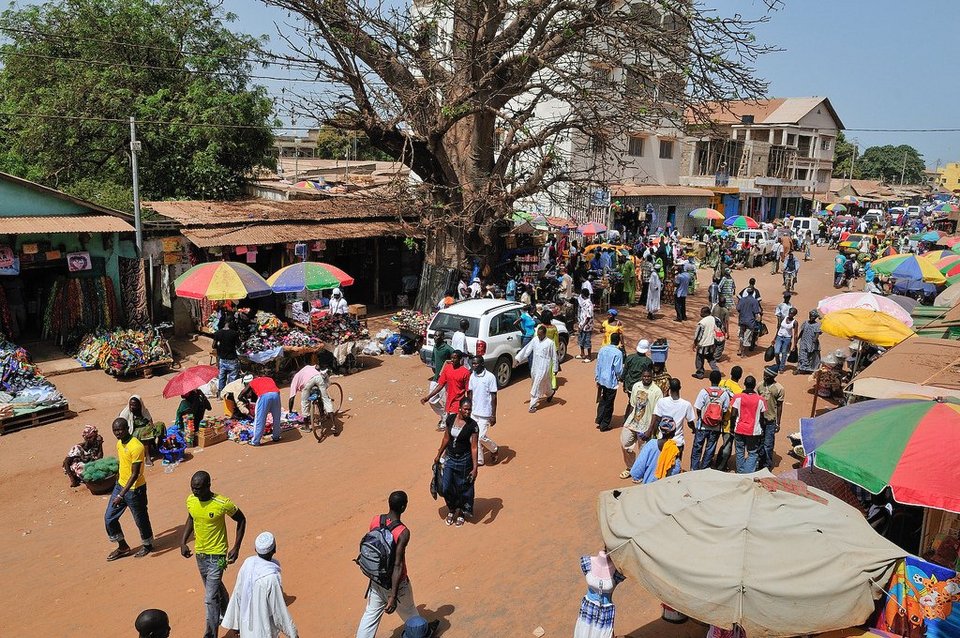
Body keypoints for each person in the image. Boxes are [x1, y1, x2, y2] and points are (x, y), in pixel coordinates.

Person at [355, 492, 439, 638]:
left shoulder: (376, 520)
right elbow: (397, 565)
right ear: (403, 507)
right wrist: (393, 596)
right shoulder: (402, 532)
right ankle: (423, 632)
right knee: (411, 614)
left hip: (376, 579)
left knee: (370, 616)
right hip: (397, 585)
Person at [181, 471, 247, 638]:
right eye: (193, 488)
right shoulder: (191, 500)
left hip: (217, 556)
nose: (195, 492)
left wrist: (236, 547)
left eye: (198, 488)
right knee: (215, 589)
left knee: (210, 598)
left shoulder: (222, 503)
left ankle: (210, 634)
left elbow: (241, 520)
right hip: (200, 555)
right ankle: (234, 619)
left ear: (208, 486)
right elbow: (191, 518)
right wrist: (183, 542)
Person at [222, 531, 298, 638]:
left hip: (246, 627)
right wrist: (292, 634)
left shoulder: (248, 563)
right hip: (263, 631)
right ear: (274, 549)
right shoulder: (271, 577)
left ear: (255, 550)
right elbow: (279, 610)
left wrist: (235, 624)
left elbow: (237, 593)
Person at [105, 418, 154, 561]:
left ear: (128, 428)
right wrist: (117, 483)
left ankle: (147, 544)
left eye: (120, 429)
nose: (117, 433)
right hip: (120, 486)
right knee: (109, 518)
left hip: (135, 490)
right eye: (115, 430)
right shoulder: (119, 443)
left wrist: (121, 494)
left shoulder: (136, 447)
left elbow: (135, 474)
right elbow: (123, 464)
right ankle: (123, 547)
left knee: (141, 520)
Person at [434, 399, 479, 526]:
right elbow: (446, 438)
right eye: (465, 409)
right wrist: (438, 455)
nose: (468, 411)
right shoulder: (450, 419)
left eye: (469, 409)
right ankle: (452, 508)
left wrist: (475, 468)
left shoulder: (473, 426)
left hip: (464, 461)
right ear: (459, 408)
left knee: (462, 488)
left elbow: (474, 447)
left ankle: (461, 512)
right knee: (446, 486)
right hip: (450, 458)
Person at [619, 368, 663, 479]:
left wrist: (650, 430)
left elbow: (656, 413)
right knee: (624, 443)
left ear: (652, 377)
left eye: (648, 376)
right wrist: (627, 419)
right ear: (641, 376)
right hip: (632, 422)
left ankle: (640, 473)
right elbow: (632, 405)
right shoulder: (636, 386)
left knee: (643, 451)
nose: (646, 378)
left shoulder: (656, 391)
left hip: (646, 426)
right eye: (644, 376)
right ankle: (631, 467)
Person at [420, 349, 471, 429]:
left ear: (460, 359)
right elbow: (440, 385)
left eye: (455, 358)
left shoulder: (465, 372)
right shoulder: (447, 368)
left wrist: (469, 405)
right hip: (449, 402)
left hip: (458, 403)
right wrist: (428, 397)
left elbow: (469, 391)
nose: (452, 360)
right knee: (451, 427)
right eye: (451, 358)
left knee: (454, 426)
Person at [691, 370, 729, 471]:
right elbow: (725, 410)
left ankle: (694, 469)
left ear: (710, 380)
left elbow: (698, 408)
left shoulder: (704, 392)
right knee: (710, 449)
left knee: (697, 448)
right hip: (715, 427)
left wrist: (701, 418)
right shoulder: (724, 394)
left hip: (702, 426)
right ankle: (704, 469)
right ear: (720, 380)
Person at [516, 324, 558, 412]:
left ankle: (533, 405)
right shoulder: (535, 340)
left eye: (540, 335)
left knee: (537, 384)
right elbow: (527, 350)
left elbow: (554, 357)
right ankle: (550, 393)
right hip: (535, 366)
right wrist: (518, 359)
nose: (539, 336)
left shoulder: (550, 343)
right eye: (538, 334)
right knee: (543, 382)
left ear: (544, 334)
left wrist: (555, 369)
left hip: (544, 367)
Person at [628, 417, 682, 483]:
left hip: (649, 487)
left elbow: (636, 472)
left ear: (660, 429)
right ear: (674, 432)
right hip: (667, 489)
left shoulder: (651, 444)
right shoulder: (674, 450)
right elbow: (675, 471)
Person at [730, 375, 766, 474]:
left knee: (739, 452)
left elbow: (733, 414)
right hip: (754, 431)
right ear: (754, 385)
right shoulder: (761, 399)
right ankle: (748, 474)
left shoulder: (737, 397)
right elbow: (762, 417)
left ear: (744, 384)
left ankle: (741, 473)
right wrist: (762, 429)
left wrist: (732, 427)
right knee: (753, 453)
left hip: (739, 429)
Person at [467, 355, 499, 465]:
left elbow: (494, 397)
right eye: (473, 363)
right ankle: (479, 460)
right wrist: (469, 409)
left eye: (476, 363)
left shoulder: (490, 377)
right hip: (474, 412)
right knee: (473, 437)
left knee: (481, 437)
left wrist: (493, 415)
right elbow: (470, 393)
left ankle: (494, 449)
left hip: (486, 413)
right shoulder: (472, 376)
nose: (474, 365)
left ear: (482, 364)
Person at [653, 378, 695, 458]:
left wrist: (654, 434)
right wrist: (694, 429)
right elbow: (690, 422)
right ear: (680, 388)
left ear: (669, 388)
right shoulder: (686, 404)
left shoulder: (661, 401)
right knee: (676, 466)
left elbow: (657, 420)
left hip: (663, 441)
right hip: (677, 442)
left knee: (662, 463)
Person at [713, 365, 743, 471]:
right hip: (728, 422)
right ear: (740, 376)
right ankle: (721, 466)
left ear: (730, 373)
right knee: (727, 445)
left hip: (715, 418)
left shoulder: (722, 383)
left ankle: (710, 462)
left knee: (712, 442)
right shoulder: (739, 391)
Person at [238, 377, 283, 446]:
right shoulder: (269, 379)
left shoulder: (252, 382)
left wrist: (245, 401)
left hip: (264, 396)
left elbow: (240, 395)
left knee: (259, 419)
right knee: (276, 417)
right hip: (276, 394)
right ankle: (276, 436)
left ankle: (255, 441)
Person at [119, 395, 161, 466]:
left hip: (146, 429)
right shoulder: (125, 413)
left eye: (134, 405)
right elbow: (122, 425)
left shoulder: (143, 411)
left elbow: (150, 420)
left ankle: (159, 447)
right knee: (145, 432)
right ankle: (147, 457)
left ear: (139, 405)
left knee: (160, 425)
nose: (132, 407)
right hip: (133, 432)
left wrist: (151, 427)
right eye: (131, 405)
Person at [288, 363, 333, 428]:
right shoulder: (306, 367)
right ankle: (323, 414)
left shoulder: (294, 380)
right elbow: (317, 366)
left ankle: (307, 426)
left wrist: (290, 411)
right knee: (322, 396)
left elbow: (292, 398)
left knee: (305, 403)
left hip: (308, 385)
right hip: (318, 379)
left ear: (292, 377)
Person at [594, 332, 624, 432]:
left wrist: (597, 378)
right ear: (618, 341)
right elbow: (618, 369)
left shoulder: (603, 349)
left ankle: (599, 419)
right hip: (611, 381)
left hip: (601, 379)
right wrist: (621, 377)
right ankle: (604, 424)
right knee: (609, 403)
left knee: (603, 399)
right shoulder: (618, 353)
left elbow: (598, 364)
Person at [757, 366, 785, 471]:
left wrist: (778, 423)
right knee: (759, 443)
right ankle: (759, 462)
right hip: (760, 420)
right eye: (764, 374)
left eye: (767, 376)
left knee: (768, 445)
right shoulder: (759, 385)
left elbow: (779, 406)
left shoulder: (779, 388)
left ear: (773, 376)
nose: (764, 377)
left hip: (770, 421)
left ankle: (767, 466)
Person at [426, 331, 453, 428]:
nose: (435, 337)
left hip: (446, 380)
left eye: (438, 336)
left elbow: (457, 360)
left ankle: (446, 421)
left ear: (442, 337)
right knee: (431, 400)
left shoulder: (448, 349)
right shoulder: (435, 347)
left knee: (445, 401)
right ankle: (444, 415)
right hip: (436, 378)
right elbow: (434, 362)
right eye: (435, 336)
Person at [621, 339, 653, 420]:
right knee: (640, 404)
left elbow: (624, 372)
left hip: (629, 386)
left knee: (631, 403)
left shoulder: (629, 358)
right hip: (640, 387)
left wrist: (623, 383)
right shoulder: (648, 361)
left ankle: (627, 419)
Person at [212, 319, 241, 396]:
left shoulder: (218, 333)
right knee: (232, 378)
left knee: (222, 377)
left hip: (222, 360)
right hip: (232, 360)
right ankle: (230, 395)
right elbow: (239, 346)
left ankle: (220, 394)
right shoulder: (234, 333)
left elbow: (213, 345)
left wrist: (220, 346)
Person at [692, 306, 719, 379]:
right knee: (711, 358)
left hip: (703, 344)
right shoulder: (715, 319)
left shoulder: (702, 323)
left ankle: (700, 374)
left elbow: (698, 335)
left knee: (699, 358)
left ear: (705, 313)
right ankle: (716, 371)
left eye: (702, 312)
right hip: (712, 343)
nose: (700, 313)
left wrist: (695, 343)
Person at [735, 289, 762, 357]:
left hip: (742, 320)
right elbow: (756, 312)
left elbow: (738, 308)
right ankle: (743, 353)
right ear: (753, 293)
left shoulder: (742, 300)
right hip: (750, 322)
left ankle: (740, 349)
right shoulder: (754, 301)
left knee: (741, 336)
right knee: (746, 337)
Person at [796, 310, 822, 374]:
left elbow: (817, 334)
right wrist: (798, 338)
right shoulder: (805, 322)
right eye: (810, 316)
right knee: (802, 355)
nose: (811, 317)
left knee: (810, 356)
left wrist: (814, 341)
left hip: (811, 343)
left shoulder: (817, 325)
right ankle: (801, 368)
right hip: (803, 341)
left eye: (813, 316)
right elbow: (802, 331)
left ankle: (809, 369)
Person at [774, 307, 799, 373]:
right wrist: (774, 338)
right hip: (779, 337)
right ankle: (778, 363)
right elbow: (779, 327)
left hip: (787, 338)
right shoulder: (784, 318)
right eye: (790, 313)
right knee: (776, 352)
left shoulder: (795, 322)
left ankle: (781, 368)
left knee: (784, 353)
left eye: (792, 313)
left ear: (794, 314)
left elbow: (796, 334)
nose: (790, 314)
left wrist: (794, 345)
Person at [576, 286, 595, 361]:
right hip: (581, 324)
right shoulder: (583, 303)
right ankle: (582, 354)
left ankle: (589, 356)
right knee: (581, 339)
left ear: (583, 295)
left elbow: (589, 317)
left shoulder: (588, 304)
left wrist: (583, 325)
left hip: (587, 326)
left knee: (587, 341)